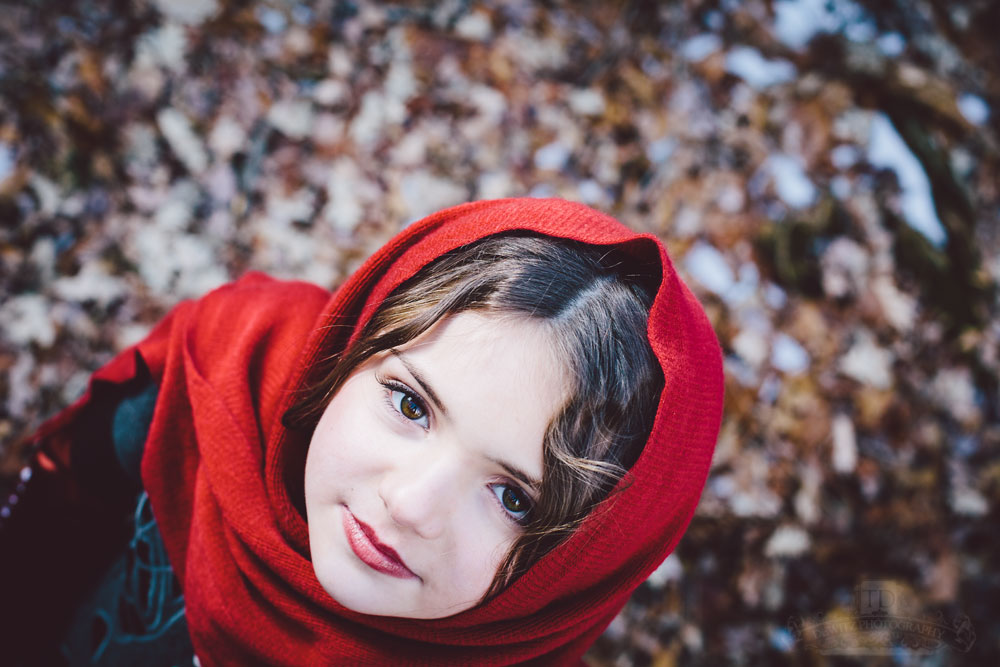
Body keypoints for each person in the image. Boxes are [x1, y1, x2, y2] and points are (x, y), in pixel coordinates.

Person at [0, 197, 724, 665]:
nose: (410, 505)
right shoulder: (214, 383)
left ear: (580, 573)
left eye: (514, 497)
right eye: (411, 405)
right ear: (352, 345)